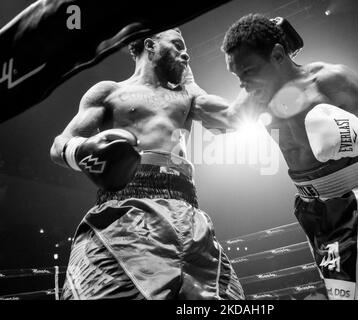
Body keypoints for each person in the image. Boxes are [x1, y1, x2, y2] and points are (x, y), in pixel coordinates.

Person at [220, 14, 358, 300]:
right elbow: (221, 119)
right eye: (237, 76)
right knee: (342, 295)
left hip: (355, 199)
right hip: (310, 207)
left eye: (248, 71)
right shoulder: (255, 97)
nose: (243, 85)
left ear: (278, 55)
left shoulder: (331, 81)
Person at [50, 28, 244, 300]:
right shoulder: (110, 92)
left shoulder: (186, 96)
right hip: (124, 206)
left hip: (186, 210)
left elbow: (232, 118)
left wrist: (191, 82)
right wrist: (83, 150)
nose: (185, 53)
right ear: (151, 45)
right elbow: (60, 144)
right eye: (177, 44)